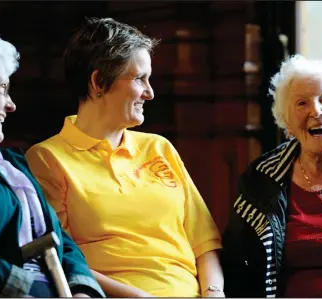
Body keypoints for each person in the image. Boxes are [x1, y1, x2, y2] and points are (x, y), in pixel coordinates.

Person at [25, 17, 224, 298]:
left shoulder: (159, 148)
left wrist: (215, 293)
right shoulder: (47, 158)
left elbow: (204, 244)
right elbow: (60, 259)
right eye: (140, 79)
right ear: (98, 82)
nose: (150, 93)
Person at [0, 24, 105, 298]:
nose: (11, 104)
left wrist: (82, 287)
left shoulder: (11, 161)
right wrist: (22, 286)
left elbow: (60, 238)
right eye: (3, 88)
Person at [221, 54, 322, 297]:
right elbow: (237, 264)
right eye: (302, 103)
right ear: (288, 123)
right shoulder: (261, 180)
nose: (316, 110)